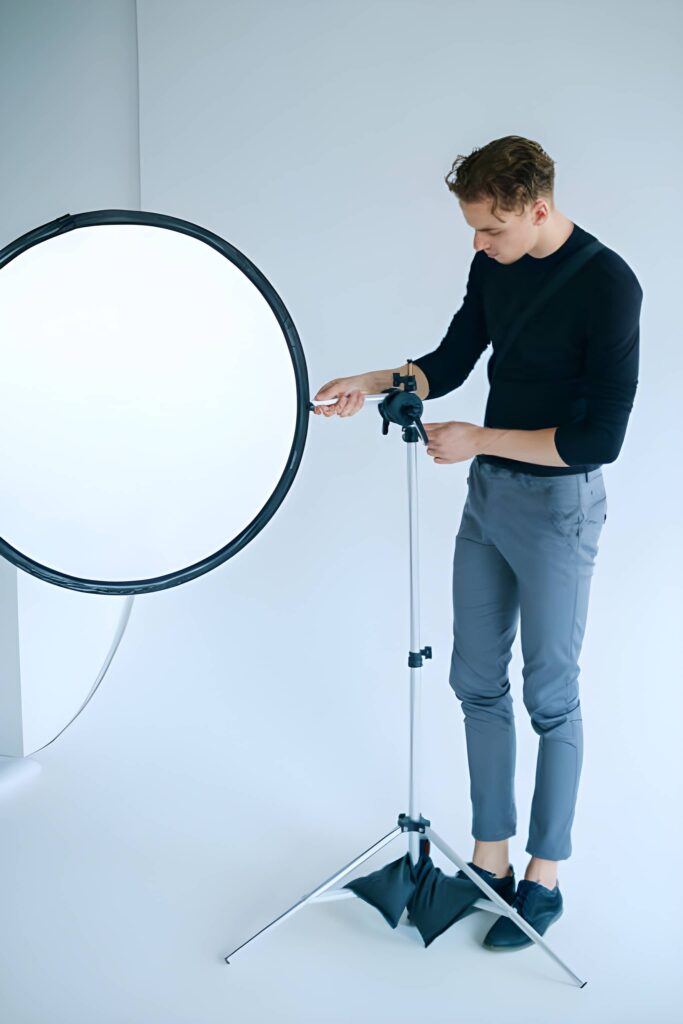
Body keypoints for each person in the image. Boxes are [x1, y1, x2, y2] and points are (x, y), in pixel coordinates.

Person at [312, 135, 642, 951]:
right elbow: (452, 360)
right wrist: (370, 380)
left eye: (488, 229)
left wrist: (481, 439)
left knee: (550, 696)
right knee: (473, 680)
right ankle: (488, 861)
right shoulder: (494, 265)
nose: (476, 244)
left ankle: (543, 878)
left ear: (536, 208)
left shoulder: (608, 285)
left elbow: (597, 439)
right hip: (489, 497)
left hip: (559, 505)